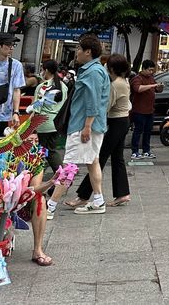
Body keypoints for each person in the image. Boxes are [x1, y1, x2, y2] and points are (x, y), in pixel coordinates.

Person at [46, 33, 110, 219]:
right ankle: (98, 200)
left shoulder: (93, 72)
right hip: (89, 125)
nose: (77, 52)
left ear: (88, 52)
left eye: (80, 49)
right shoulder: (94, 70)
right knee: (92, 162)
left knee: (69, 165)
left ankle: (50, 206)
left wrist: (87, 126)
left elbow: (93, 101)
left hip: (84, 125)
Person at [70, 53, 132, 208]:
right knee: (117, 158)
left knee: (98, 157)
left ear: (111, 68)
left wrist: (89, 122)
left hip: (115, 122)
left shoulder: (116, 84)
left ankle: (83, 196)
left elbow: (105, 105)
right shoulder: (123, 81)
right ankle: (122, 193)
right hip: (122, 121)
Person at [35, 59, 68, 175]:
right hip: (57, 124)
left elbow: (36, 109)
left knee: (44, 152)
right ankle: (59, 178)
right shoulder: (64, 87)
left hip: (43, 124)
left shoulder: (42, 87)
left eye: (42, 70)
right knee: (49, 150)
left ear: (47, 70)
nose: (41, 72)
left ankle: (62, 176)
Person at [130, 59, 162, 160]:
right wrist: (153, 85)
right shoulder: (137, 78)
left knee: (148, 131)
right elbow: (138, 89)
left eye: (152, 70)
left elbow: (158, 90)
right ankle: (135, 151)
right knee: (138, 131)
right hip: (139, 110)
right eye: (149, 70)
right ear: (143, 69)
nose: (151, 72)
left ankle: (146, 150)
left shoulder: (151, 78)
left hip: (150, 110)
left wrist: (159, 87)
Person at [0, 31, 25, 136]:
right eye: (8, 45)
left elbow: (16, 90)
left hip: (3, 115)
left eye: (13, 45)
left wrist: (16, 112)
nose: (12, 48)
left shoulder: (16, 65)